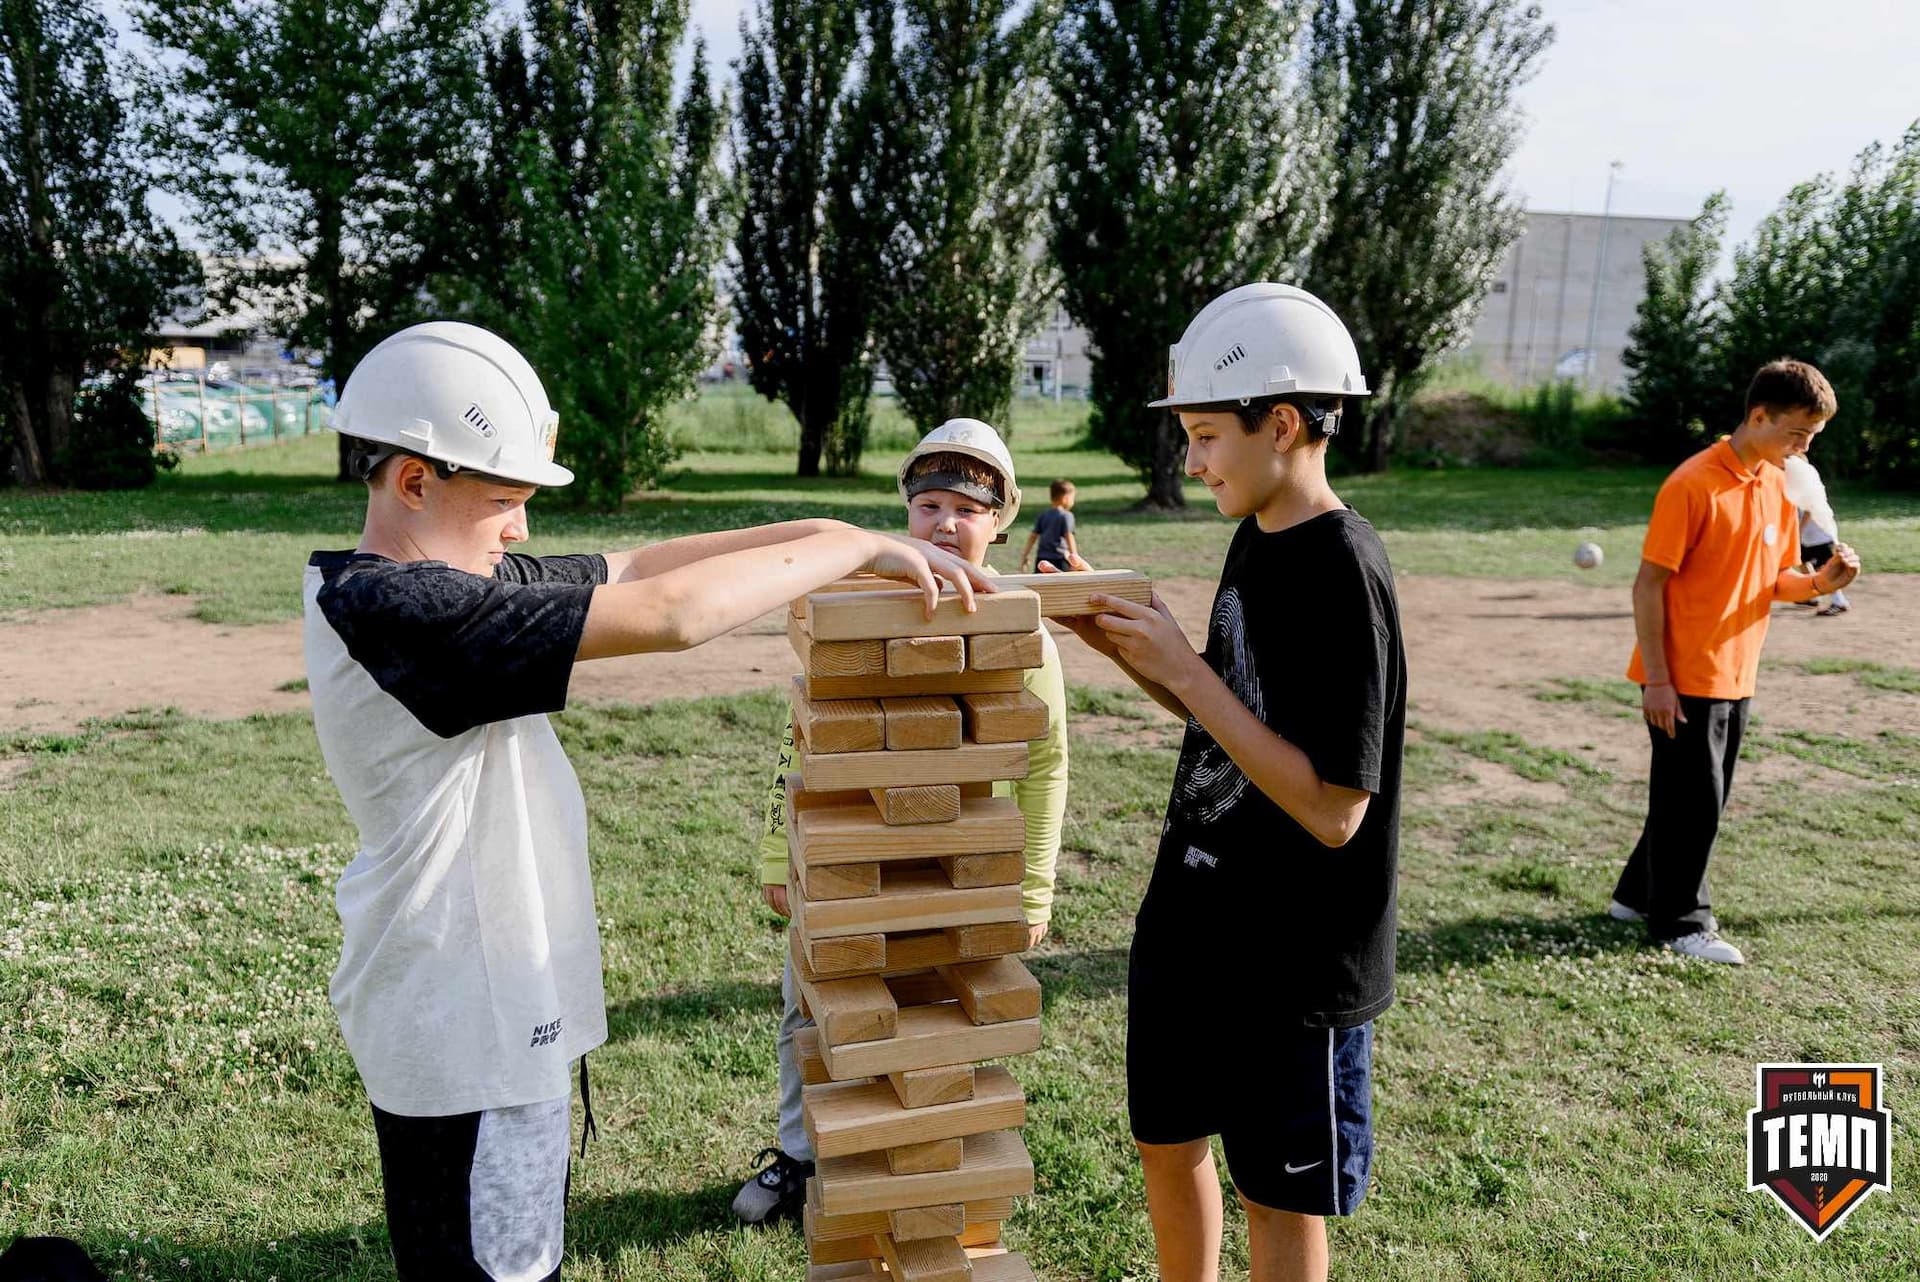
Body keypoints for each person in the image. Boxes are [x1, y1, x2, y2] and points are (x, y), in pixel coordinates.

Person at [302, 322, 989, 1282]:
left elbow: (643, 565)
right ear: (415, 481)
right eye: (504, 500)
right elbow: (672, 615)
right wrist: (846, 546)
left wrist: (847, 539)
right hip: (463, 1030)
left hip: (486, 1010)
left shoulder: (446, 579)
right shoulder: (405, 613)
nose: (521, 529)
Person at [1056, 284, 1405, 1282]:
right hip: (1195, 917)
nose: (1194, 460)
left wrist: (1184, 668)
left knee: (1277, 1195)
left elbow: (1335, 807)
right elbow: (1232, 717)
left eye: (1209, 436)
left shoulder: (1345, 567)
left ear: (1284, 423)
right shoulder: (1257, 534)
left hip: (1292, 960)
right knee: (1166, 1141)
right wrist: (1129, 647)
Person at [731, 418, 1071, 1225]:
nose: (946, 523)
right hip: (850, 865)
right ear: (905, 516)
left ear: (1000, 523)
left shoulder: (1024, 633)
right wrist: (783, 859)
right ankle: (802, 1157)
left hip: (956, 877)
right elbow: (800, 739)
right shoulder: (854, 614)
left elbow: (1047, 762)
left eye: (967, 508)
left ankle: (914, 1165)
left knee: (927, 1020)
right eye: (928, 506)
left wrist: (1031, 888)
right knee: (810, 1011)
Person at [1608, 360, 1861, 964]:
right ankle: (1681, 923)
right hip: (1684, 674)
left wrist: (1823, 582)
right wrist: (1659, 681)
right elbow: (1648, 586)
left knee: (1698, 798)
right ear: (1757, 416)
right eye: (1796, 435)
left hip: (1736, 670)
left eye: (1811, 440)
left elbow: (1773, 580)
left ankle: (1636, 896)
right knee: (1695, 801)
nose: (1802, 450)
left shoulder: (1777, 484)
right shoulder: (1692, 483)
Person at [1784, 453, 1851, 616]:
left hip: (1818, 535)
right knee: (1802, 561)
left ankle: (1839, 601)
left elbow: (1808, 510)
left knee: (1824, 567)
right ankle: (1810, 594)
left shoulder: (1806, 485)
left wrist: (1798, 530)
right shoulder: (1794, 484)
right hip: (1807, 536)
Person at [1020, 479, 1078, 572]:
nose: (1073, 502)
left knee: (1041, 585)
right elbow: (1069, 536)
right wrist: (1075, 560)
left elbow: (1033, 536)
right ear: (1065, 498)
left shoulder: (1043, 515)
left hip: (1041, 559)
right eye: (1072, 498)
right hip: (1060, 559)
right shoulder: (1067, 515)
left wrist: (1025, 555)